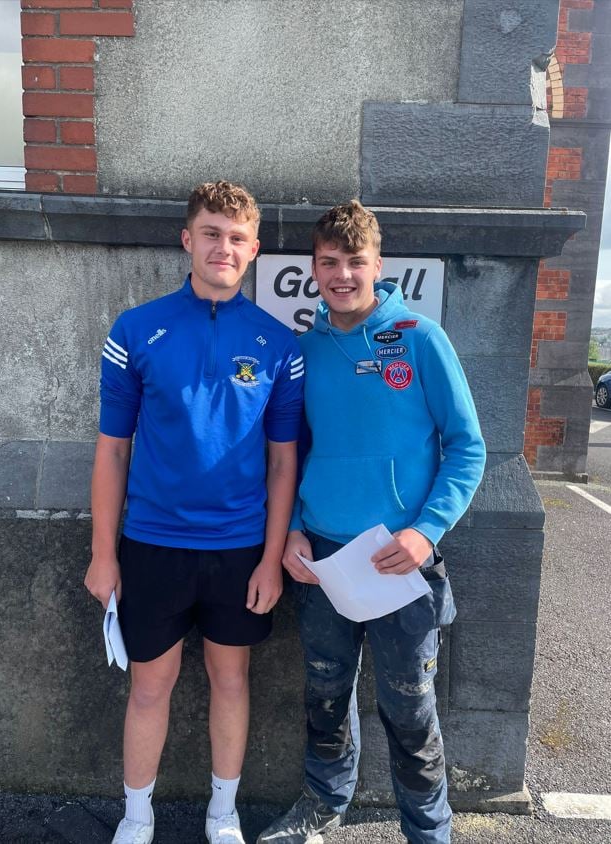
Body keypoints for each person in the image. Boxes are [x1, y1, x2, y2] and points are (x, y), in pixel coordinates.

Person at [257, 201, 486, 844]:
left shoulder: (420, 338)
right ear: (313, 269)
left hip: (400, 559)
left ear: (378, 266)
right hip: (323, 558)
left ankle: (428, 831)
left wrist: (426, 531)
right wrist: (293, 528)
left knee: (410, 709)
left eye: (355, 262)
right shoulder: (305, 351)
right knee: (325, 694)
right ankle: (324, 802)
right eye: (329, 262)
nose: (342, 275)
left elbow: (467, 447)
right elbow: (290, 453)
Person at [84, 181, 304, 844]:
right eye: (211, 233)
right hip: (151, 544)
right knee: (149, 688)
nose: (222, 248)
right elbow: (112, 450)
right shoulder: (135, 330)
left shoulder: (277, 343)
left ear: (254, 250)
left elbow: (283, 463)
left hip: (240, 549)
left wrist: (271, 559)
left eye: (237, 238)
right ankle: (137, 815)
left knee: (230, 680)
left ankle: (222, 812)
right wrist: (102, 554)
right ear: (187, 239)